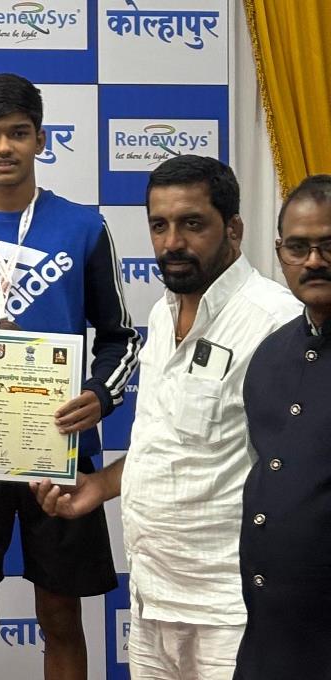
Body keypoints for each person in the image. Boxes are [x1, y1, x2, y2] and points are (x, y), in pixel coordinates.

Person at [0, 73, 140, 680]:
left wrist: (100, 395)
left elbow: (119, 337)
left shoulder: (84, 227)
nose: (4, 147)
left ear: (41, 138)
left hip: (57, 447)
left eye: (18, 132)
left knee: (61, 615)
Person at [32, 155, 300, 679]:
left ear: (234, 229)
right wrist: (99, 486)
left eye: (192, 223)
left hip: (232, 609)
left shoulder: (276, 323)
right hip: (152, 599)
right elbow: (167, 443)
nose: (172, 242)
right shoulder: (161, 312)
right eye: (159, 225)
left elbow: (297, 474)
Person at [234, 175, 331, 678]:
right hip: (270, 639)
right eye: (298, 247)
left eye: (329, 245)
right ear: (279, 253)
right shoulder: (270, 355)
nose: (313, 261)